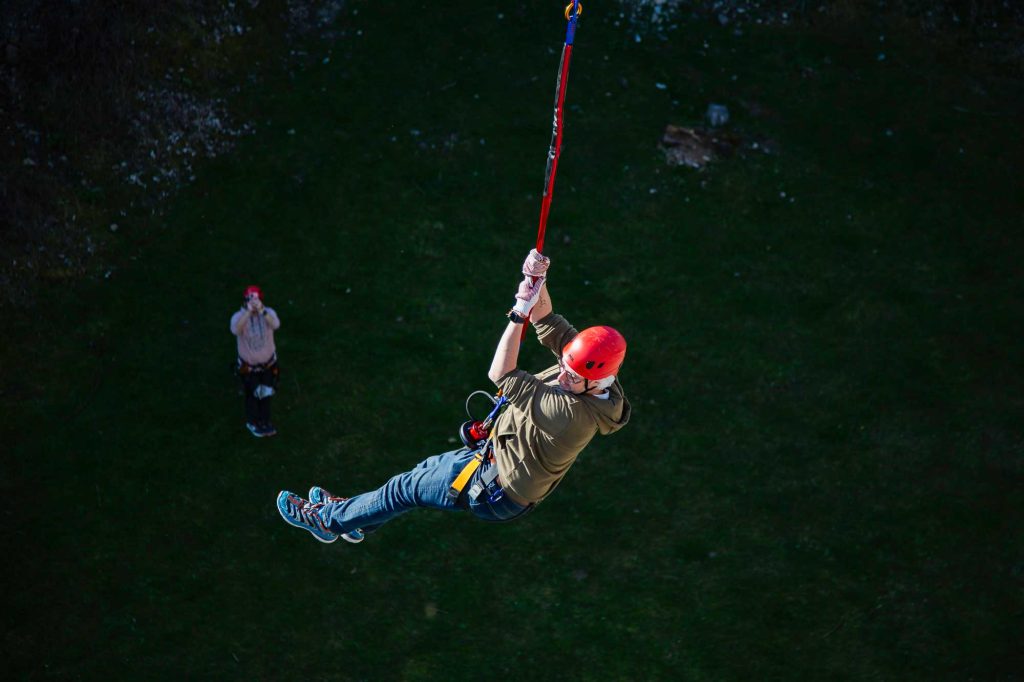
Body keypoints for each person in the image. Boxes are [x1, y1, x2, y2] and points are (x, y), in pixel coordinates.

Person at [276, 249, 631, 543]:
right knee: (421, 473)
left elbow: (501, 373)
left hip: (494, 488)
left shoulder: (571, 417)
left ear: (595, 381)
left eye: (573, 376)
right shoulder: (595, 379)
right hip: (494, 459)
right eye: (564, 366)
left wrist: (518, 313)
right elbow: (547, 318)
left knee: (403, 488)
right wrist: (537, 280)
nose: (563, 375)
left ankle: (328, 521)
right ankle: (358, 518)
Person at [231, 285, 281, 437]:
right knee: (253, 395)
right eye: (250, 299)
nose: (253, 302)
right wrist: (248, 312)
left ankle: (265, 421)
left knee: (265, 394)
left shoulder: (268, 312)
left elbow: (275, 325)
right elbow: (236, 330)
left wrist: (262, 311)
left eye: (256, 299)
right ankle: (253, 422)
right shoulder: (238, 316)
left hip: (268, 365)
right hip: (249, 367)